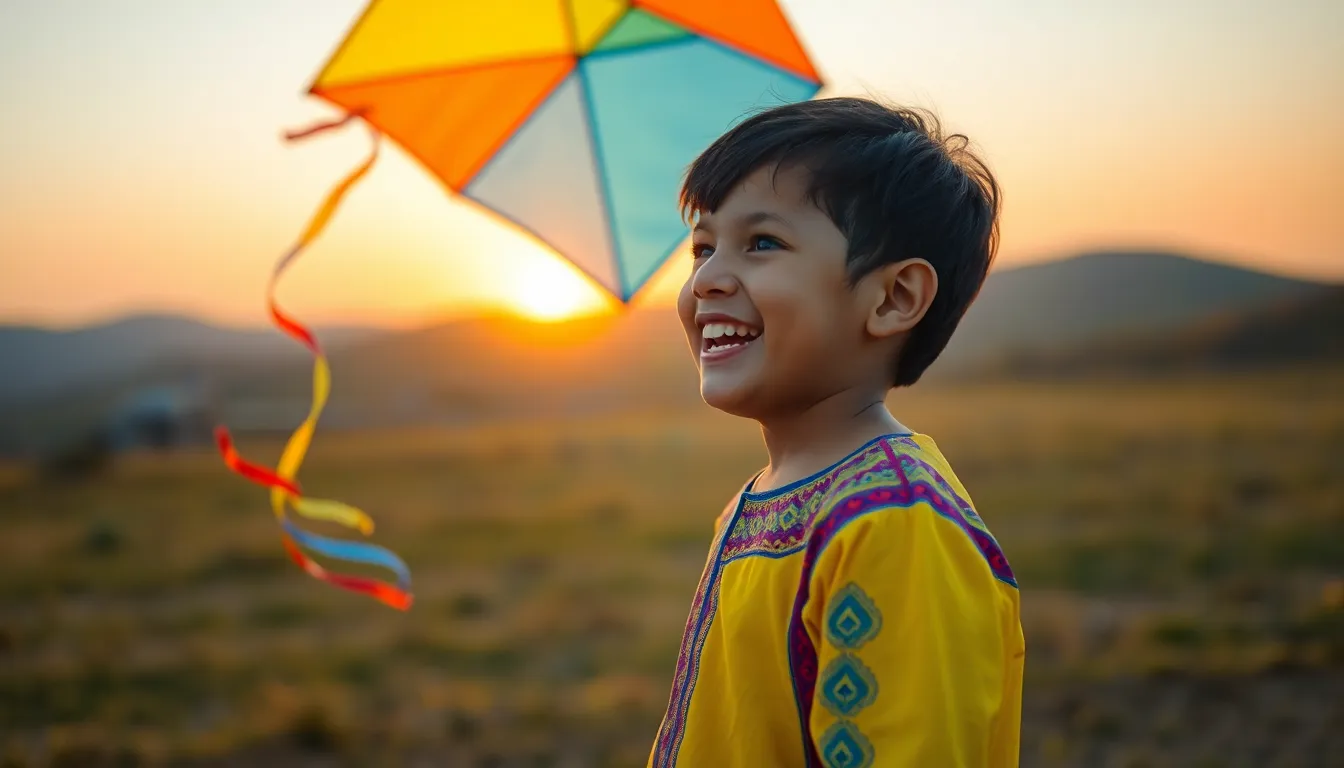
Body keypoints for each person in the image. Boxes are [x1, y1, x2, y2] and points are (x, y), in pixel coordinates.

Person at [647, 97, 1023, 768]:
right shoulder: (759, 499)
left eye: (761, 243)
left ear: (893, 299)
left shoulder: (896, 523)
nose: (706, 280)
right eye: (702, 247)